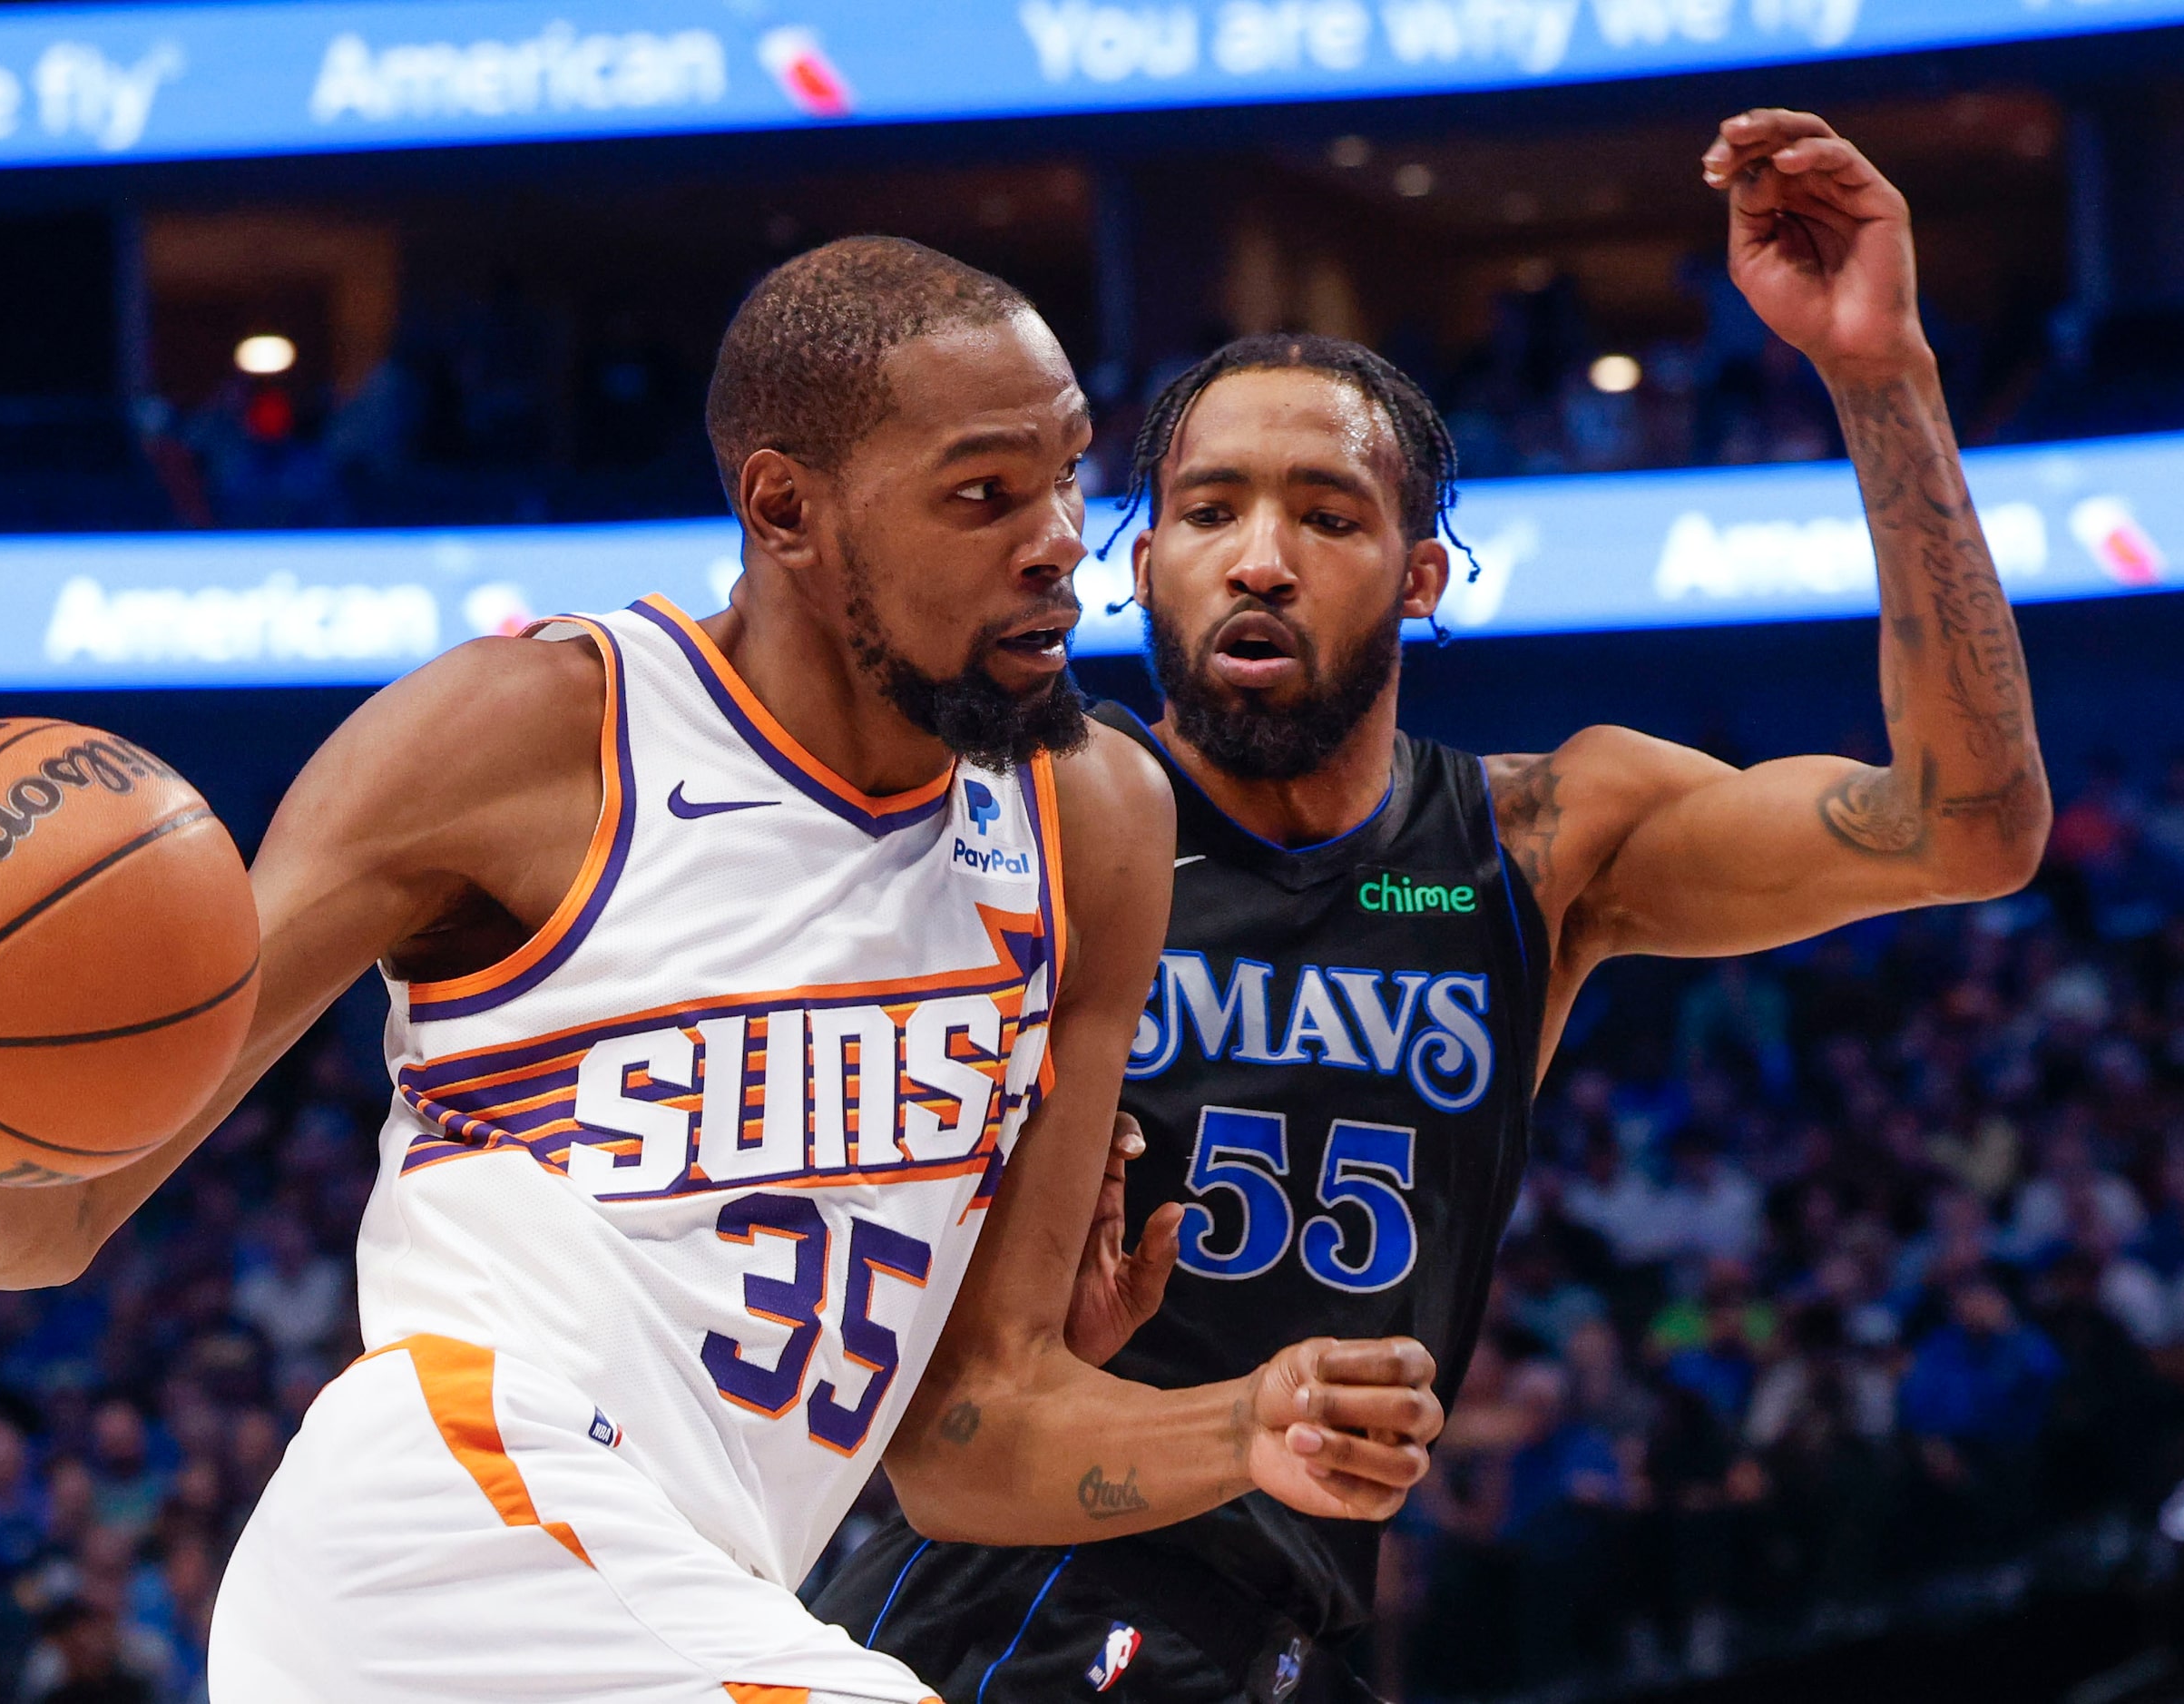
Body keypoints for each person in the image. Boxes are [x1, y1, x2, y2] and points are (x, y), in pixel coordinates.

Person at [0, 238, 1445, 1703]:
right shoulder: (530, 737)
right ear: (787, 507)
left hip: (686, 1603)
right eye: (986, 492)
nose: (1062, 538)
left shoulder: (1095, 821)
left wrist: (1239, 1425)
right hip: (446, 1539)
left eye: (1072, 473)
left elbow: (970, 1427)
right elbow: (51, 1217)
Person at [820, 109, 2050, 1701]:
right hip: (988, 1587)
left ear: (1419, 576)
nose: (1259, 558)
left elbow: (1971, 826)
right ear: (1140, 566)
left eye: (1326, 515)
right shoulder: (1033, 805)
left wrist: (1881, 375)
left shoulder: (1544, 836)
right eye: (1207, 511)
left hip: (1290, 1614)